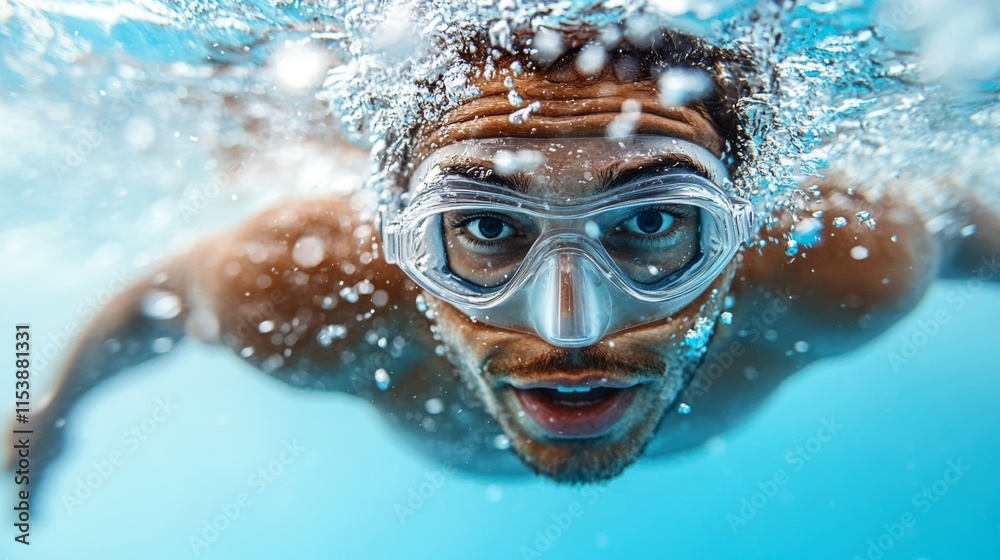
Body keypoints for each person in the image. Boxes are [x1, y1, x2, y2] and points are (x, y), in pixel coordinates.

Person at [11, 22, 998, 489]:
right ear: (399, 240)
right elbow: (158, 296)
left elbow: (971, 231)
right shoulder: (300, 289)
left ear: (743, 228)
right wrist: (43, 406)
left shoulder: (842, 263)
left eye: (651, 224)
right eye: (484, 227)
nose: (570, 325)